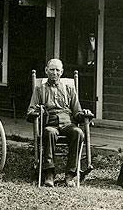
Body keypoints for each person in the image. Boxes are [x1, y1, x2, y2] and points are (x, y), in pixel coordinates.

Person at [26, 58, 93, 188]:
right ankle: (49, 173)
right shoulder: (40, 89)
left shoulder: (69, 89)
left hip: (68, 122)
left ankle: (70, 174)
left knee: (78, 133)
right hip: (50, 122)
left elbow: (77, 112)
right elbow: (30, 110)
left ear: (61, 72)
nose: (54, 73)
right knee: (49, 132)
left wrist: (84, 113)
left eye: (57, 70)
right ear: (46, 71)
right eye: (51, 69)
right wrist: (36, 112)